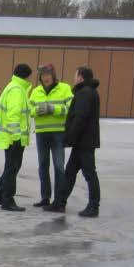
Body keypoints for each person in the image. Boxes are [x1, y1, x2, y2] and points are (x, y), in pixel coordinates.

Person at [44, 66, 101, 217]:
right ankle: (60, 202)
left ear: (81, 77)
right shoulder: (88, 92)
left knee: (89, 173)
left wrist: (70, 137)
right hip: (82, 141)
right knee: (70, 172)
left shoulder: (85, 93)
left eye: (75, 76)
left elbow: (79, 118)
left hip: (85, 142)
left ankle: (93, 206)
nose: (74, 79)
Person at [0, 64, 32, 212]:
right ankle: (7, 199)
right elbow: (13, 116)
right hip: (14, 138)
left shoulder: (13, 87)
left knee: (11, 167)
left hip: (12, 137)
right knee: (12, 169)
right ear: (26, 76)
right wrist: (16, 136)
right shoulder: (17, 90)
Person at [29, 64, 72, 207]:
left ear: (53, 76)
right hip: (41, 133)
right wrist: (37, 110)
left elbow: (71, 108)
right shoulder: (36, 91)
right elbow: (30, 110)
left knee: (59, 166)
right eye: (43, 75)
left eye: (48, 75)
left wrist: (54, 109)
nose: (46, 78)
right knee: (43, 166)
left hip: (58, 133)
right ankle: (45, 198)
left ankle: (59, 199)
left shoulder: (64, 89)